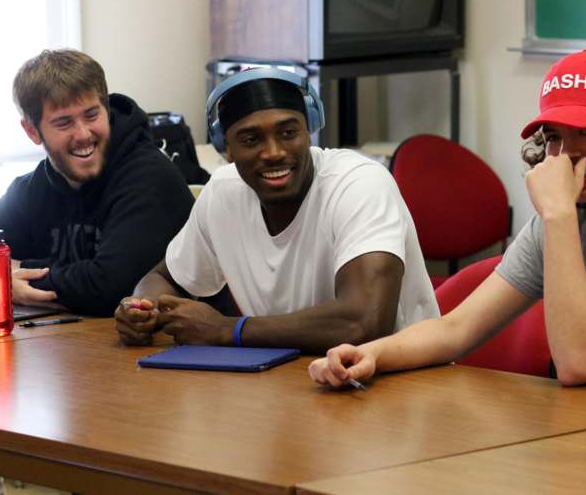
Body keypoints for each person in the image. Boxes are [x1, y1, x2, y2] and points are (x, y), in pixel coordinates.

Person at [309, 49, 586, 399]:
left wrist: (559, 215)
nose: (564, 156)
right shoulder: (566, 218)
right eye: (553, 138)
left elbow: (581, 364)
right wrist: (369, 354)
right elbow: (455, 331)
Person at [115, 68, 439, 352]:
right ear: (226, 149)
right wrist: (142, 308)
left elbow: (365, 321)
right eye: (251, 139)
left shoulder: (359, 184)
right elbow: (163, 277)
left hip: (399, 385)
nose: (274, 152)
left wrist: (228, 330)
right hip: (296, 381)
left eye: (288, 133)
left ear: (308, 130)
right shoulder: (224, 193)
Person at [0, 49, 194, 316]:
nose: (83, 134)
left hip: (153, 348)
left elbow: (109, 287)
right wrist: (3, 274)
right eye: (64, 123)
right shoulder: (33, 187)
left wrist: (5, 274)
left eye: (91, 115)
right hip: (68, 344)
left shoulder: (149, 177)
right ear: (31, 131)